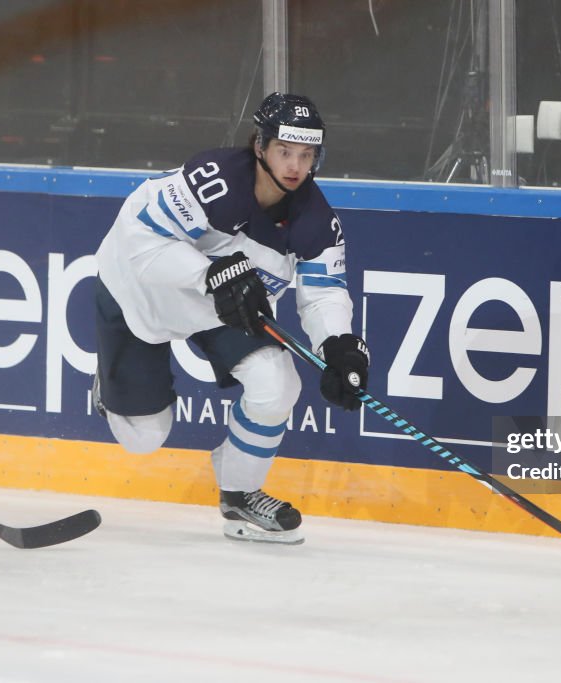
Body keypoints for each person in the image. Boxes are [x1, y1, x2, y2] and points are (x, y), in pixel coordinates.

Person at [92, 92, 370, 545]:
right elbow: (139, 242)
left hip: (218, 307)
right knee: (144, 436)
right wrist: (209, 274)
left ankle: (240, 495)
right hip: (139, 291)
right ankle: (108, 380)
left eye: (305, 155)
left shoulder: (316, 221)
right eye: (284, 151)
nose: (294, 166)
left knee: (277, 384)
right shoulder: (212, 179)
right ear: (259, 145)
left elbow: (322, 294)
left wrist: (339, 345)